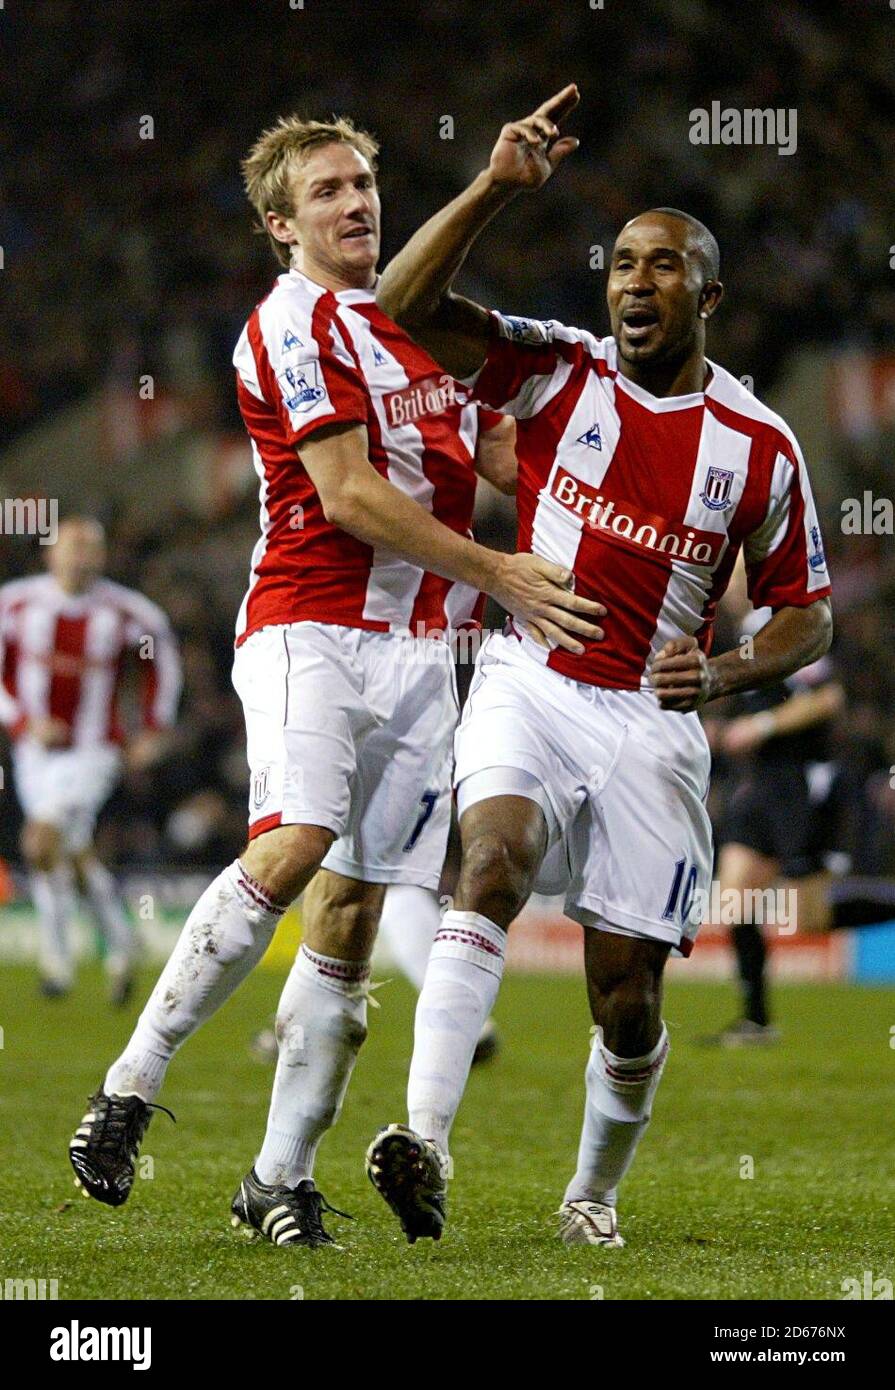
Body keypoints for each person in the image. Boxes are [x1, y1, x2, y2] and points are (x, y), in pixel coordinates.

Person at [68, 115, 600, 1246]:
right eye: (327, 192)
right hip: (309, 623)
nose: (356, 203)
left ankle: (275, 1179)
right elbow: (351, 497)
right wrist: (503, 571)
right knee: (298, 836)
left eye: (364, 183)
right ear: (280, 225)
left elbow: (516, 465)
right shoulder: (288, 326)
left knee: (351, 920)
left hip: (424, 654)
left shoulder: (429, 333)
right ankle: (128, 1083)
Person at [361, 84, 832, 1249]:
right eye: (622, 262)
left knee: (625, 1000)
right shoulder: (556, 370)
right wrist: (492, 184)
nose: (634, 281)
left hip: (647, 722)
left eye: (663, 265)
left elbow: (805, 617)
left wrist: (722, 675)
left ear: (708, 294)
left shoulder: (760, 448)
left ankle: (591, 1196)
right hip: (530, 674)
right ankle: (423, 1136)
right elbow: (401, 302)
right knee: (493, 859)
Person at [701, 559, 895, 1045]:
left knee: (812, 918)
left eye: (739, 567)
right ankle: (757, 1020)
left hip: (800, 784)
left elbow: (827, 699)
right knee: (736, 898)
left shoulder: (780, 625)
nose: (728, 576)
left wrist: (761, 727)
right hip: (760, 786)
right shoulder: (743, 629)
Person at [0, 517, 181, 1004]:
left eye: (91, 548)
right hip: (33, 753)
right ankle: (122, 944)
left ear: (102, 557)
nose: (81, 556)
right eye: (72, 547)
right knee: (69, 854)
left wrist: (154, 729)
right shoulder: (16, 603)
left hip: (94, 750)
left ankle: (56, 964)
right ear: (50, 554)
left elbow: (160, 663)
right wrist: (20, 723)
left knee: (40, 841)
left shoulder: (127, 612)